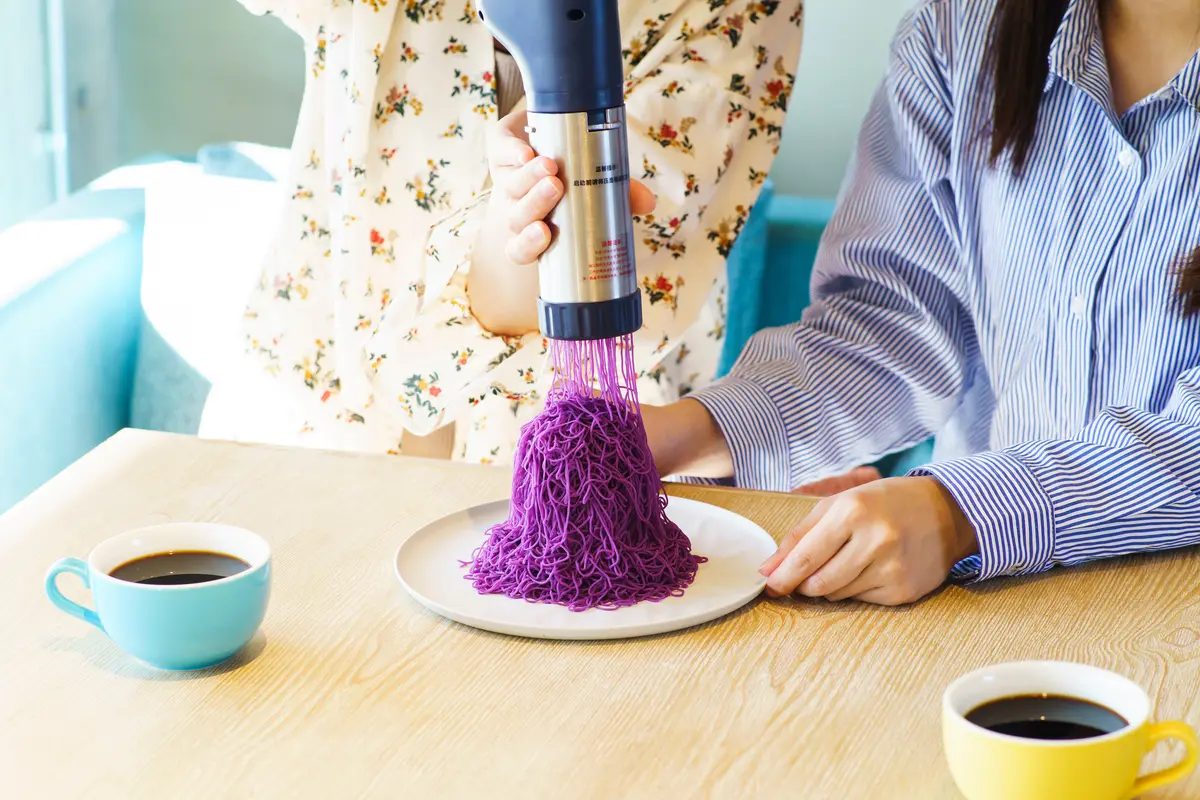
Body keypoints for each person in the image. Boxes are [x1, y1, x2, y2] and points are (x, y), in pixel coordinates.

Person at [640, 0, 1200, 605]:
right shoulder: (958, 32)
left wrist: (962, 510)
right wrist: (688, 431)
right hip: (988, 609)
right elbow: (892, 322)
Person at [199, 0, 805, 467]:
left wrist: (531, 206)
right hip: (315, 401)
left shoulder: (725, 12)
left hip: (574, 448)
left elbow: (547, 293)